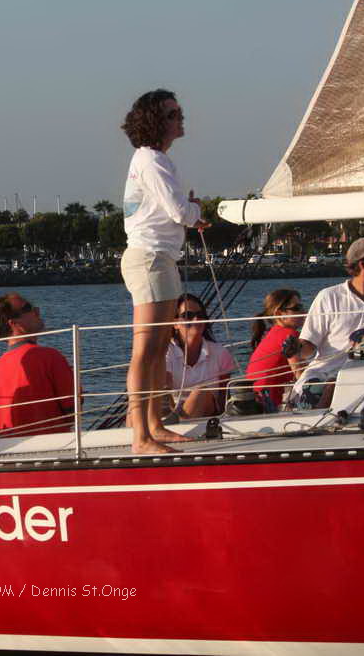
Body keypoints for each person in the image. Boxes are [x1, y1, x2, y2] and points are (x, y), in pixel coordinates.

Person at [119, 88, 210, 453]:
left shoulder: (153, 160)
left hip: (160, 258)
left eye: (179, 112)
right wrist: (195, 211)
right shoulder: (152, 160)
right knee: (146, 349)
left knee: (157, 349)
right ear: (156, 122)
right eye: (173, 114)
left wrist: (189, 212)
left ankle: (155, 425)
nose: (180, 118)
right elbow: (178, 210)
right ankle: (141, 436)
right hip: (150, 258)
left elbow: (170, 208)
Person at [289, 237, 364, 408]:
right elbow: (308, 349)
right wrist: (295, 348)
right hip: (324, 373)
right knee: (319, 392)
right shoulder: (328, 297)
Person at [0, 293, 76, 436]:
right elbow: (73, 411)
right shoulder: (49, 357)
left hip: (11, 447)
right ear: (14, 323)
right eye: (28, 308)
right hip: (53, 443)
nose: (37, 311)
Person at [165, 294, 235, 419]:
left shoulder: (220, 353)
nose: (196, 319)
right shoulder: (166, 352)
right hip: (173, 412)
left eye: (200, 314)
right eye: (188, 315)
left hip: (208, 412)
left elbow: (223, 400)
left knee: (200, 392)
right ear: (175, 323)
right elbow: (165, 391)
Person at [245, 288, 305, 411]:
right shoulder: (289, 335)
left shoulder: (274, 333)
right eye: (297, 308)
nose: (304, 311)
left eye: (302, 306)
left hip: (256, 399)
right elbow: (300, 374)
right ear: (279, 314)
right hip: (269, 404)